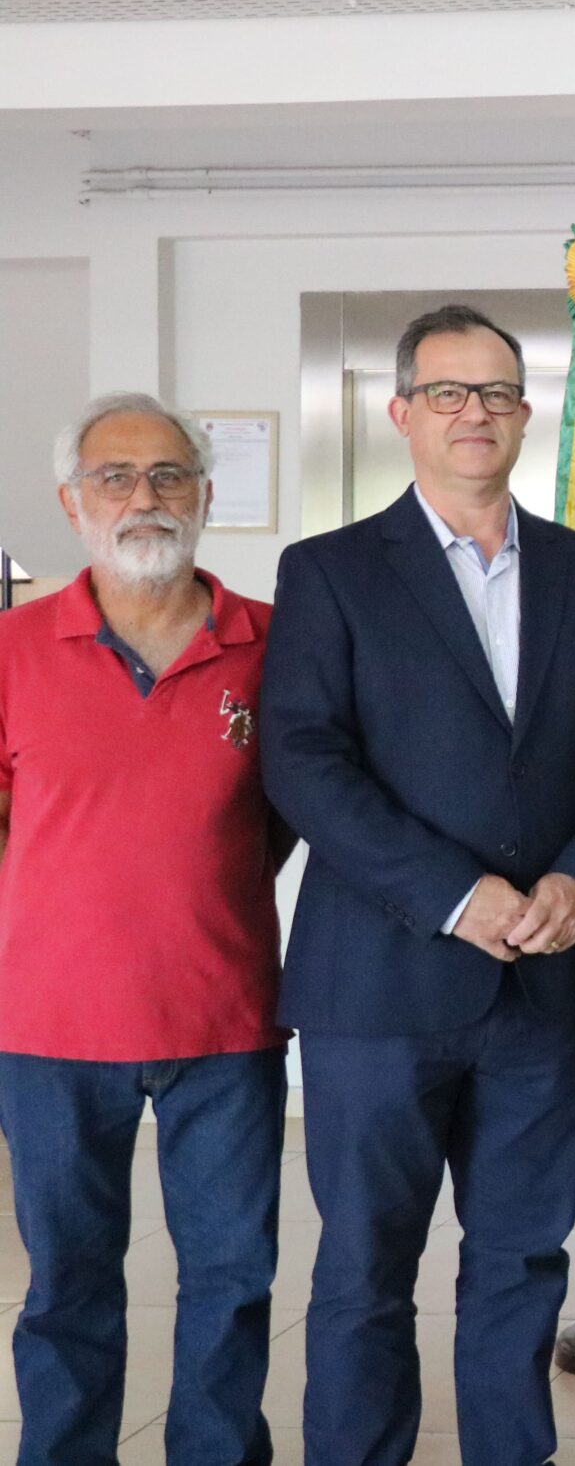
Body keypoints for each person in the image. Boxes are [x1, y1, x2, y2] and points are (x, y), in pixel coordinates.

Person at [262, 303, 575, 1466]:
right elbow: (304, 761)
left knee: (524, 1263)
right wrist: (454, 895)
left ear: (526, 415)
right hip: (378, 991)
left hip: (548, 986)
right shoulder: (330, 572)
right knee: (365, 1271)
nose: (475, 413)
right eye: (449, 393)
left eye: (496, 393)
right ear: (401, 415)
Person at [0, 394, 291, 1466]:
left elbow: (295, 815)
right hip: (50, 1032)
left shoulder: (273, 643)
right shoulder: (11, 648)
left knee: (231, 1281)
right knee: (69, 1286)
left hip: (228, 1023)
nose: (144, 497)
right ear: (71, 501)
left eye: (169, 475)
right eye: (115, 477)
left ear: (207, 496)